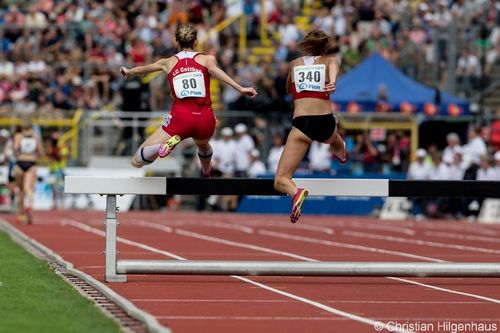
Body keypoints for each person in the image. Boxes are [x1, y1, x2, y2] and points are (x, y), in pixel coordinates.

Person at [120, 24, 257, 176]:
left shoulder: (168, 62)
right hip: (205, 119)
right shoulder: (207, 59)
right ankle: (206, 173)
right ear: (196, 41)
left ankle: (163, 147)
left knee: (137, 160)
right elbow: (215, 71)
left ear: (175, 42)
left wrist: (129, 71)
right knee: (204, 146)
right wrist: (240, 88)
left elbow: (140, 70)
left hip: (181, 118)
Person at [274, 30, 347, 223]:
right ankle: (341, 152)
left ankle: (295, 193)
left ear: (305, 46)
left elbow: (289, 88)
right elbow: (333, 68)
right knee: (334, 138)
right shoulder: (329, 60)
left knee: (281, 179)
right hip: (325, 121)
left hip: (302, 124)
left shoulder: (295, 64)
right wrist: (331, 82)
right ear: (325, 48)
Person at [13, 119, 45, 224]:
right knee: (28, 188)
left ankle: (20, 215)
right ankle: (30, 204)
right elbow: (41, 153)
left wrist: (18, 155)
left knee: (21, 190)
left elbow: (15, 148)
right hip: (31, 163)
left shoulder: (18, 136)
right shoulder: (35, 137)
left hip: (20, 163)